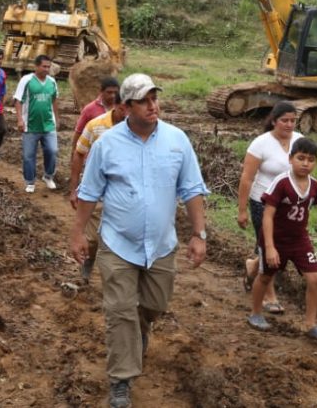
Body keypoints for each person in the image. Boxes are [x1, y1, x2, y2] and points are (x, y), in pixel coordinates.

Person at [69, 73, 209, 408]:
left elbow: (192, 190)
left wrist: (199, 234)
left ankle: (140, 331)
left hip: (161, 246)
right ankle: (121, 381)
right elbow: (89, 194)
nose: (152, 105)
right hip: (118, 244)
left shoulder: (177, 140)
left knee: (154, 306)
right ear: (126, 106)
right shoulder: (106, 144)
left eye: (154, 98)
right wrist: (77, 233)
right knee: (119, 312)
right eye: (144, 100)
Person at [247, 137, 317, 343]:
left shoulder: (315, 186)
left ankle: (310, 324)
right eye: (300, 158)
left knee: (316, 278)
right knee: (266, 276)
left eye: (310, 160)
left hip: (300, 239)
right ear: (290, 158)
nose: (305, 163)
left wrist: (303, 233)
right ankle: (255, 313)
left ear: (316, 162)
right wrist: (269, 247)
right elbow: (267, 215)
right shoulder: (282, 183)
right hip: (275, 238)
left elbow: (306, 210)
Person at [236, 101, 302, 314]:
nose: (289, 125)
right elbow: (247, 178)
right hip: (262, 203)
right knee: (267, 247)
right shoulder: (261, 144)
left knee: (277, 247)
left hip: (288, 206)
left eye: (293, 120)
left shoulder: (300, 141)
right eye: (284, 120)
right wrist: (242, 209)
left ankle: (252, 266)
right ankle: (269, 295)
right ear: (274, 121)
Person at [67, 98, 128, 282]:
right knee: (92, 238)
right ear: (117, 106)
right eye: (124, 107)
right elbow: (79, 152)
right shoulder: (96, 125)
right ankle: (88, 261)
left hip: (125, 193)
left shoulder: (139, 130)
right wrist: (74, 187)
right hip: (98, 190)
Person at [13, 54, 58, 193]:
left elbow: (55, 100)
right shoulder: (26, 80)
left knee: (52, 151)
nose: (46, 69)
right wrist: (20, 119)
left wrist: (57, 118)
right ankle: (30, 182)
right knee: (28, 155)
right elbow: (18, 101)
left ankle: (48, 176)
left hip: (49, 124)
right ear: (36, 66)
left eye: (48, 67)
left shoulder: (52, 82)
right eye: (44, 66)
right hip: (30, 125)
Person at [71, 76, 119, 152]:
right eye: (109, 92)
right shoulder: (90, 109)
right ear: (101, 91)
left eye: (115, 93)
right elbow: (79, 132)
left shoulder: (122, 109)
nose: (113, 96)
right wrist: (74, 153)